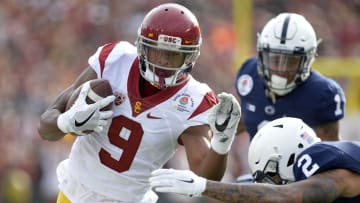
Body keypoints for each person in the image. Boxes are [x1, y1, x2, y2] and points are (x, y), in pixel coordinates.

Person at [37, 3, 241, 203]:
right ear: (142, 46)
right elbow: (45, 128)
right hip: (74, 193)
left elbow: (205, 180)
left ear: (189, 57)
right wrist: (64, 122)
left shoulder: (194, 100)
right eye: (156, 51)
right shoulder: (115, 60)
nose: (163, 62)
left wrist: (222, 143)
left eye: (173, 55)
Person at [231, 12, 346, 180]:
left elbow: (333, 152)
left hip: (302, 180)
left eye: (291, 61)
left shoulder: (323, 94)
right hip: (258, 175)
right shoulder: (249, 76)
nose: (281, 70)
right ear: (262, 56)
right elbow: (248, 117)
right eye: (275, 60)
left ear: (307, 60)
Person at [149, 117, 360, 202]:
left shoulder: (334, 173)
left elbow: (288, 196)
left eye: (271, 175)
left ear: (291, 156)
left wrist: (204, 186)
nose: (270, 185)